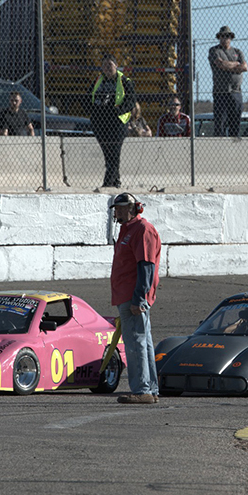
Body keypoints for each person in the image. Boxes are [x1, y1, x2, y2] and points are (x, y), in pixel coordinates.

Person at [109, 192, 162, 404]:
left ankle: (142, 390)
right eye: (116, 209)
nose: (118, 212)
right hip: (127, 296)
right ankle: (149, 389)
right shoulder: (128, 230)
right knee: (143, 342)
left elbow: (146, 266)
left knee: (135, 343)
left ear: (133, 208)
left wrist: (139, 299)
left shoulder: (142, 230)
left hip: (133, 298)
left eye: (122, 208)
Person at [90, 54, 136, 187]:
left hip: (116, 124)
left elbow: (131, 100)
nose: (107, 68)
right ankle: (116, 181)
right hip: (100, 123)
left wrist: (118, 111)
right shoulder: (98, 80)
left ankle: (108, 183)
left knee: (114, 153)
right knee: (107, 154)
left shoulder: (124, 81)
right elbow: (88, 97)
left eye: (109, 65)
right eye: (104, 65)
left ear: (116, 65)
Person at [207, 26, 247, 137]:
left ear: (231, 38)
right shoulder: (215, 50)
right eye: (223, 36)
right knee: (220, 124)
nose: (225, 38)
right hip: (221, 92)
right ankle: (219, 149)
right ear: (219, 37)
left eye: (228, 36)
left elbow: (245, 67)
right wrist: (235, 64)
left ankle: (234, 149)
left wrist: (228, 65)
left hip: (236, 92)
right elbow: (220, 64)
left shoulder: (237, 52)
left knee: (235, 123)